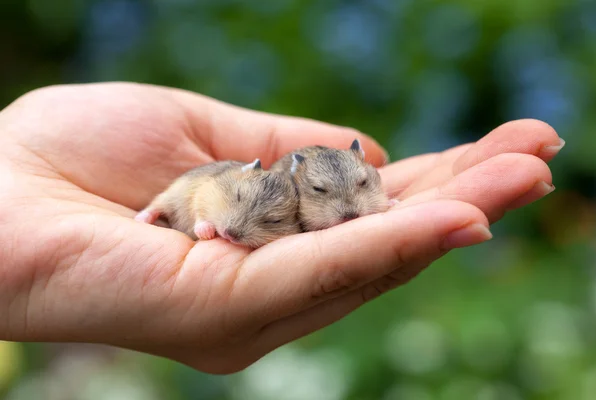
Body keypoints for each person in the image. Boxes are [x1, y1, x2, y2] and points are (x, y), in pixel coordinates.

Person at [0, 82, 563, 374]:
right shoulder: (244, 186)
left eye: (363, 190)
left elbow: (350, 199)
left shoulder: (340, 189)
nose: (347, 211)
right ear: (298, 186)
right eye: (322, 197)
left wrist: (378, 202)